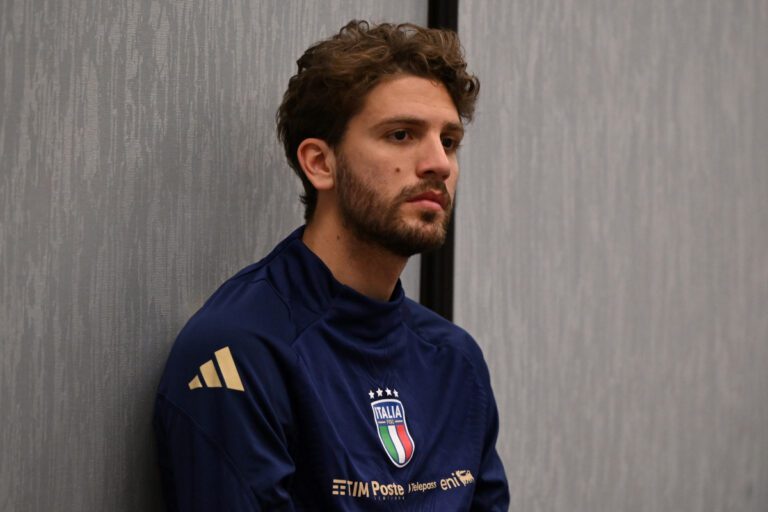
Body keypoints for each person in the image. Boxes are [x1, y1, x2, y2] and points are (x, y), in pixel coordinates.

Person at [154, 20, 510, 511]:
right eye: (402, 134)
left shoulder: (456, 361)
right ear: (321, 163)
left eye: (448, 141)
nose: (439, 164)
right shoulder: (236, 353)